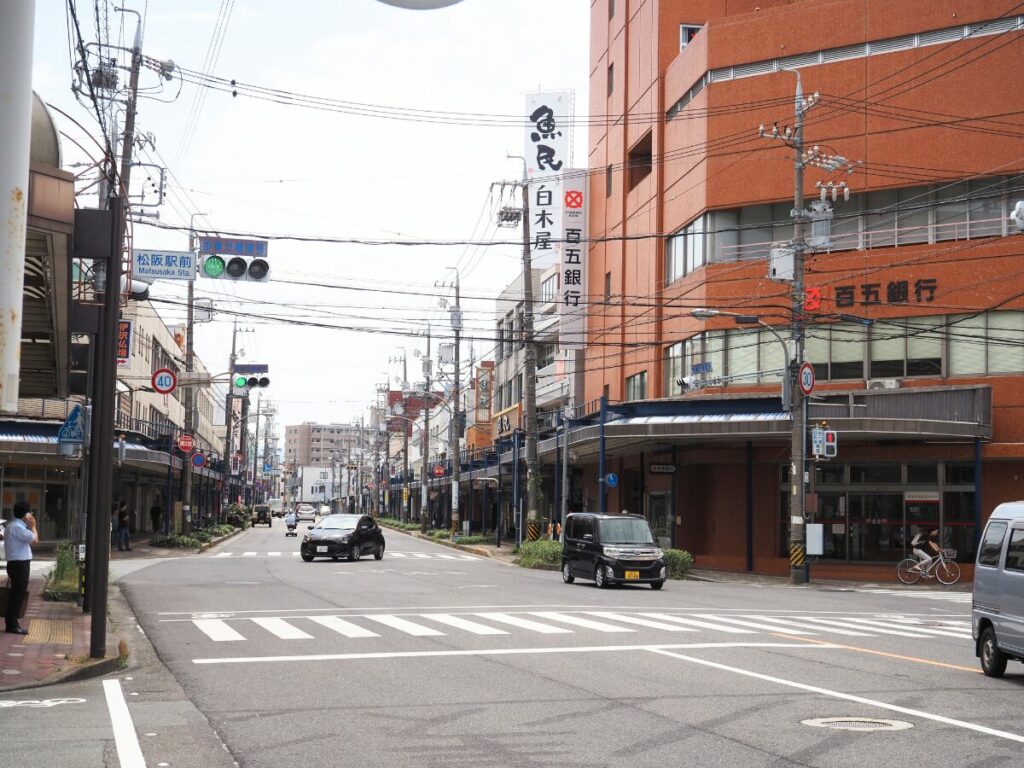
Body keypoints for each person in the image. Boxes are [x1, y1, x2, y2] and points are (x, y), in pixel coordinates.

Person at [4, 501, 38, 635]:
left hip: (16, 564)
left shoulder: (12, 526)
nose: (31, 515)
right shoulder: (18, 527)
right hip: (20, 565)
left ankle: (11, 623)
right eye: (30, 513)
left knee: (16, 594)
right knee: (17, 594)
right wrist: (33, 526)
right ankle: (12, 624)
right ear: (26, 515)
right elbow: (35, 539)